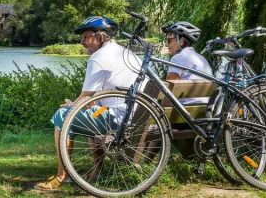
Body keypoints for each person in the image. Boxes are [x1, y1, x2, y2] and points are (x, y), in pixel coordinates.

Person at [34, 16, 140, 191]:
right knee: (92, 110)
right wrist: (80, 103)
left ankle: (62, 176)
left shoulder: (99, 57)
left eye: (86, 37)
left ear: (100, 37)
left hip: (117, 118)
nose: (82, 41)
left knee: (63, 116)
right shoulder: (126, 52)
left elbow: (84, 98)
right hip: (134, 116)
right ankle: (96, 171)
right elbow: (91, 99)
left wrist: (71, 105)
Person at [162, 21, 213, 104]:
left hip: (181, 114)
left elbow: (168, 94)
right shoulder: (202, 59)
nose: (166, 45)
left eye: (169, 40)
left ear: (181, 41)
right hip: (205, 112)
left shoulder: (177, 58)